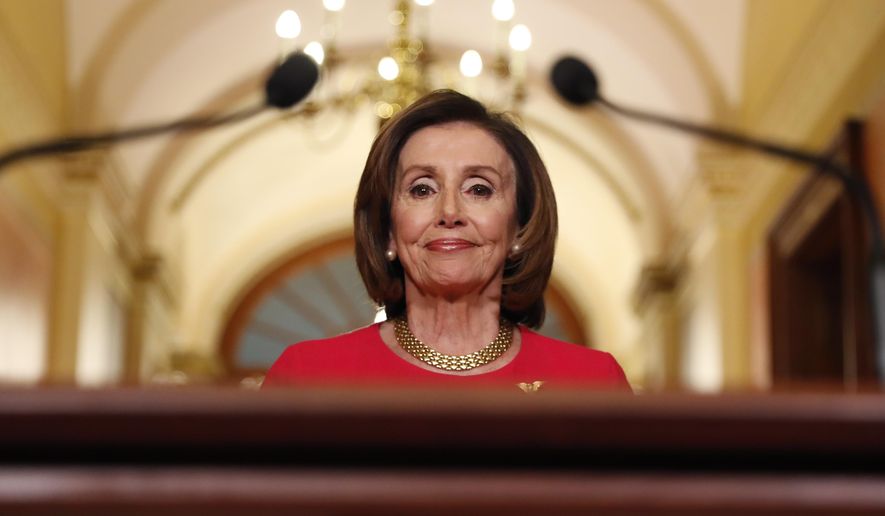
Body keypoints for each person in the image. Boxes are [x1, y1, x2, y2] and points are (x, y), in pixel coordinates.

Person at [264, 90, 630, 391]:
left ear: (519, 227)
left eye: (479, 189)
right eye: (422, 189)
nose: (450, 211)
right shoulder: (306, 377)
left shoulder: (593, 382)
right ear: (389, 231)